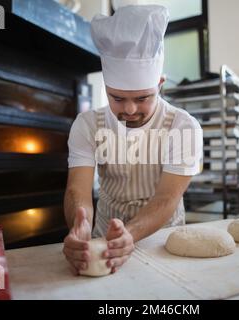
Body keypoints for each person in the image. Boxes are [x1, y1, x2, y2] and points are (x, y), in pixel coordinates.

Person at [62, 5, 203, 275]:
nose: (129, 109)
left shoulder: (183, 127)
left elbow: (167, 197)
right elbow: (77, 191)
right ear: (106, 87)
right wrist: (79, 225)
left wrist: (130, 233)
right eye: (117, 98)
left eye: (141, 98)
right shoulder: (87, 125)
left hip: (163, 244)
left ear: (160, 84)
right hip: (103, 241)